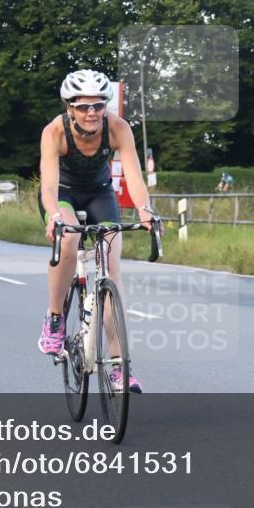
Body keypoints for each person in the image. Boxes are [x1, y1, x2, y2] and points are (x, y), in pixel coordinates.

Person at [38, 69, 158, 393]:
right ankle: (54, 318)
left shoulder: (118, 128)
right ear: (70, 108)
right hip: (62, 194)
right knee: (71, 234)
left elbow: (134, 177)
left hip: (99, 193)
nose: (91, 112)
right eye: (83, 106)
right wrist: (53, 216)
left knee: (111, 273)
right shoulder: (55, 132)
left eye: (98, 105)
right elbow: (47, 186)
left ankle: (119, 369)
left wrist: (145, 210)